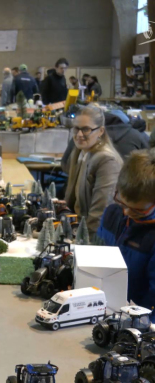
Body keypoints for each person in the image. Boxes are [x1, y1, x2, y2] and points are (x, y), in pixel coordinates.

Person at [97, 149, 155, 320]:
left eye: (138, 210)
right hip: (103, 309)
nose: (127, 212)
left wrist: (139, 323)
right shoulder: (111, 215)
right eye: (122, 202)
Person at [61, 105, 123, 237]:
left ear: (101, 131)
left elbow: (100, 212)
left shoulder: (107, 161)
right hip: (78, 230)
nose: (79, 135)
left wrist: (84, 242)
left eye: (86, 129)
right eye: (76, 128)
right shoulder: (80, 153)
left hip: (94, 238)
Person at [62, 111, 149, 163]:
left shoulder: (83, 136)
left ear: (101, 131)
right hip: (131, 186)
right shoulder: (136, 135)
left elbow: (65, 163)